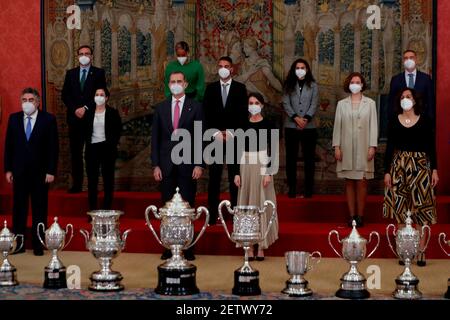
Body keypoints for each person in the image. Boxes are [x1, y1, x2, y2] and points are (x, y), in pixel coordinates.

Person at [152, 71, 205, 260]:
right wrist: (155, 165)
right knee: (167, 208)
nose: (175, 84)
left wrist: (199, 164)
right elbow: (156, 139)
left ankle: (188, 246)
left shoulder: (196, 107)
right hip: (166, 166)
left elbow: (200, 138)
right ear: (169, 85)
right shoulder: (161, 108)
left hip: (188, 165)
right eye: (172, 81)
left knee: (187, 206)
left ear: (185, 84)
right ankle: (169, 246)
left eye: (179, 81)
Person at [383, 88, 438, 266]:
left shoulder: (425, 121)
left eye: (408, 97)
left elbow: (431, 146)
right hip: (399, 167)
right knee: (400, 211)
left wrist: (434, 170)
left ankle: (421, 251)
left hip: (421, 168)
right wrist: (387, 171)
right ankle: (404, 251)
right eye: (402, 97)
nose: (405, 99)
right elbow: (390, 148)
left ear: (415, 100)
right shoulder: (394, 121)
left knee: (421, 212)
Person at [4, 88, 59, 256]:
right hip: (19, 172)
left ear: (38, 102)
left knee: (39, 209)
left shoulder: (48, 119)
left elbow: (53, 148)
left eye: (30, 99)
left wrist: (51, 170)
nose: (27, 103)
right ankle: (19, 244)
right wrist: (8, 169)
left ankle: (38, 244)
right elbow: (9, 147)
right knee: (19, 209)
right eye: (24, 99)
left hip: (40, 173)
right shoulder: (13, 119)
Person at [203, 56, 248, 225]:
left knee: (234, 178)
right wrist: (215, 134)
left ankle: (236, 214)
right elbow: (205, 114)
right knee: (214, 178)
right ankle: (212, 215)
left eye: (226, 66)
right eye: (220, 65)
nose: (223, 68)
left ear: (232, 69)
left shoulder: (240, 88)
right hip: (214, 139)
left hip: (233, 139)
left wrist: (230, 132)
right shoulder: (211, 89)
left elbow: (243, 115)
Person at [234, 92, 279, 260]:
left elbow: (273, 151)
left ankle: (261, 245)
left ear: (262, 105)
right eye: (250, 102)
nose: (253, 105)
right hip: (245, 166)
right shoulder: (241, 124)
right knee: (247, 205)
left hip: (262, 164)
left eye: (256, 102)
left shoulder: (269, 124)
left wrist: (268, 172)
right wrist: (236, 173)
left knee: (262, 204)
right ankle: (249, 246)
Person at [332, 72, 378, 228]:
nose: (355, 84)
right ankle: (352, 216)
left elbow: (373, 126)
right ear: (348, 84)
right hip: (346, 148)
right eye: (352, 81)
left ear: (362, 84)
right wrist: (336, 146)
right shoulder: (341, 104)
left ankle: (360, 216)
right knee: (349, 182)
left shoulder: (370, 103)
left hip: (364, 147)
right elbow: (337, 126)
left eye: (358, 82)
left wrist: (373, 145)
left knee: (362, 182)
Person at [62, 45, 107, 193]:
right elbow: (65, 95)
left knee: (92, 154)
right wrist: (75, 109)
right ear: (77, 56)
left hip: (92, 119)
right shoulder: (71, 74)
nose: (84, 56)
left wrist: (85, 108)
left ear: (91, 56)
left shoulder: (99, 73)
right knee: (75, 153)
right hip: (74, 120)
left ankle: (92, 185)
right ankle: (77, 185)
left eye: (87, 53)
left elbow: (102, 94)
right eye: (81, 53)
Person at [282, 58, 318, 198]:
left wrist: (306, 119)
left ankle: (308, 190)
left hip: (309, 127)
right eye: (297, 67)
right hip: (291, 125)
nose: (300, 70)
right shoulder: (288, 85)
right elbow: (285, 102)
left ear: (307, 69)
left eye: (303, 67)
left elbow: (314, 103)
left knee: (309, 159)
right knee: (291, 158)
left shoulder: (313, 85)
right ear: (293, 70)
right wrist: (296, 118)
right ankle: (292, 189)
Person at [83, 88, 122, 211]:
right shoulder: (88, 113)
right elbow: (84, 131)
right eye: (97, 94)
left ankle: (106, 209)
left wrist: (111, 144)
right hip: (92, 149)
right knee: (92, 182)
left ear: (106, 98)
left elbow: (118, 130)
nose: (99, 97)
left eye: (102, 95)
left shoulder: (113, 112)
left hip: (107, 149)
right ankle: (92, 210)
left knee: (108, 180)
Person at [388, 49, 434, 121]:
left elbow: (430, 102)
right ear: (403, 61)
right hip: (401, 120)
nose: (408, 60)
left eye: (411, 58)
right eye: (406, 58)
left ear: (416, 60)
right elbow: (391, 103)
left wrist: (430, 121)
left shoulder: (426, 79)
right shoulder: (395, 80)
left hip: (421, 120)